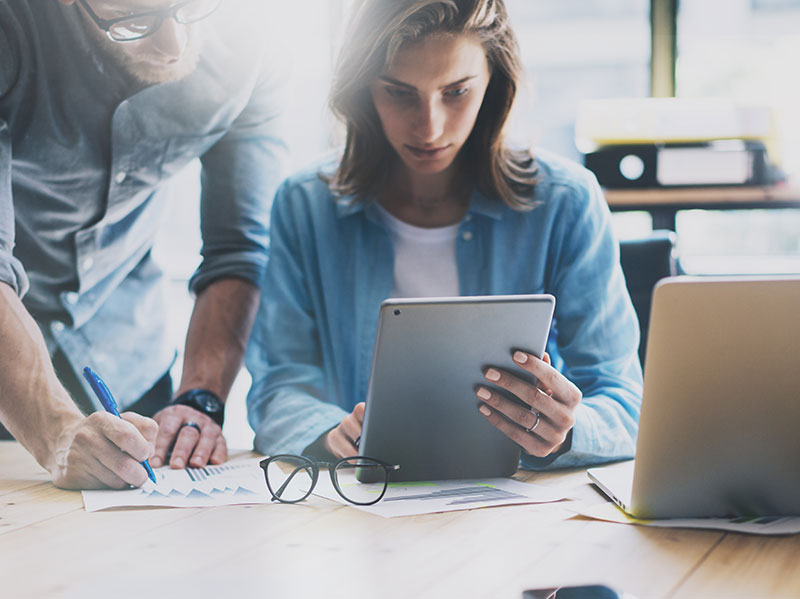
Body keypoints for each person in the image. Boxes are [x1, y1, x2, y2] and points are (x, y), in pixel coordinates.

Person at [245, 0, 642, 470]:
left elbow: (625, 405)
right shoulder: (304, 205)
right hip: (357, 510)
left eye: (455, 92)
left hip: (513, 507)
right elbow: (277, 388)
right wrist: (330, 434)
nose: (429, 127)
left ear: (494, 82)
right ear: (363, 90)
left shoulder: (566, 202)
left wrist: (567, 430)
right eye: (398, 93)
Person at [0, 0, 288, 488]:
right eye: (135, 18)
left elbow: (239, 247)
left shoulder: (252, 36)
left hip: (133, 360)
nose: (174, 46)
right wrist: (55, 432)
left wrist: (201, 397)